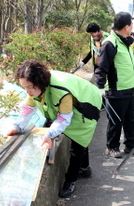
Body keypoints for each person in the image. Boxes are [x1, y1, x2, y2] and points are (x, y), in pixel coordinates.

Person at [6, 60, 102, 198]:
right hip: (73, 104)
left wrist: (49, 134)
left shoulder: (61, 90)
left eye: (30, 87)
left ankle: (70, 181)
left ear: (40, 82)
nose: (27, 91)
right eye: (24, 87)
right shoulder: (34, 87)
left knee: (79, 141)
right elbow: (28, 108)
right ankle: (85, 168)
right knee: (75, 138)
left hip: (87, 103)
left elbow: (63, 118)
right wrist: (18, 126)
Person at [95, 12, 134, 158]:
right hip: (116, 90)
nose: (132, 27)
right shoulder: (110, 43)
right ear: (127, 26)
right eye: (132, 24)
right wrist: (100, 87)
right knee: (115, 122)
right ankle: (112, 147)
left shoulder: (126, 41)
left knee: (130, 120)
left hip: (130, 88)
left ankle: (130, 145)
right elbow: (102, 68)